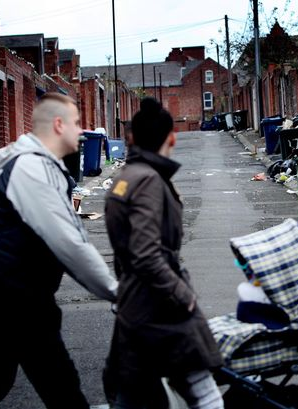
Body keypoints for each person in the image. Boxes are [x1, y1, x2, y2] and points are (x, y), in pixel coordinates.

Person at [0, 93, 118, 409]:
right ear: (58, 125)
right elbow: (68, 242)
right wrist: (115, 291)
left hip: (8, 295)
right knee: (60, 387)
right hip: (15, 299)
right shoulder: (32, 170)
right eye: (75, 123)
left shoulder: (39, 166)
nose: (81, 131)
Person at [104, 97, 224, 409]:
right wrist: (183, 294)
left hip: (136, 304)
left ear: (132, 138)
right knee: (205, 393)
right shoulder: (148, 181)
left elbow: (127, 250)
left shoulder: (125, 178)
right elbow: (145, 253)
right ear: (171, 137)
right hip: (160, 307)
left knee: (135, 394)